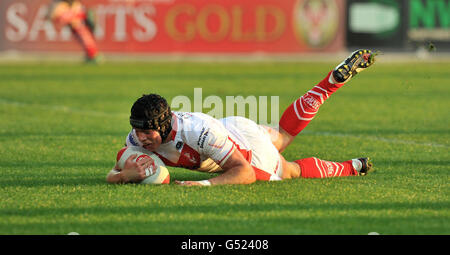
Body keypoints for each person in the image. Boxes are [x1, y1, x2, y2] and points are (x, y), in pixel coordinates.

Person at [106, 50, 376, 186]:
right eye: (137, 131)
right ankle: (330, 83)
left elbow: (243, 172)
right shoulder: (138, 137)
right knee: (282, 135)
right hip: (231, 127)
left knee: (290, 168)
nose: (141, 138)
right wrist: (124, 175)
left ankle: (352, 167)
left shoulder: (197, 131)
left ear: (164, 126)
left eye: (147, 132)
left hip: (247, 150)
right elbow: (114, 171)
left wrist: (203, 185)